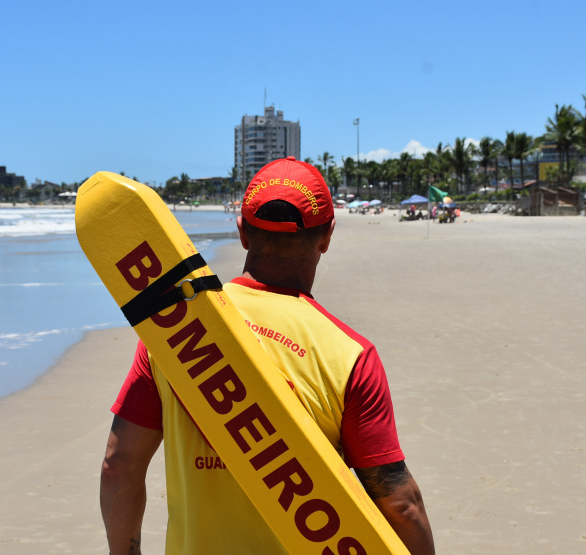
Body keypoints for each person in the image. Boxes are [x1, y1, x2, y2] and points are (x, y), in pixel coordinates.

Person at [100, 157, 434, 555]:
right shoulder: (350, 356)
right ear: (327, 237)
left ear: (242, 232)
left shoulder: (174, 332)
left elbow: (119, 465)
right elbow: (400, 505)